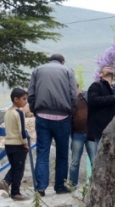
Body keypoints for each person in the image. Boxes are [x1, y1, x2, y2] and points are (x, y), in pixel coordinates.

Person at [28, 53, 78, 196]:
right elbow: (73, 95)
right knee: (62, 154)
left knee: (42, 153)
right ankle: (60, 186)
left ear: (49, 61)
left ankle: (40, 187)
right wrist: (71, 111)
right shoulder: (68, 71)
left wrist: (34, 109)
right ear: (62, 62)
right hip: (63, 117)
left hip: (42, 116)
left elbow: (31, 94)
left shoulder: (37, 70)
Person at [0, 88, 30, 201]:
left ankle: (5, 182)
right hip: (18, 144)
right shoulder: (19, 112)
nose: (25, 101)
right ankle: (15, 192)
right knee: (19, 169)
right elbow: (22, 130)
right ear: (15, 99)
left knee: (15, 166)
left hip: (8, 144)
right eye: (23, 99)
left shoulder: (7, 112)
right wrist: (25, 143)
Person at [86, 66, 115, 159]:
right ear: (100, 74)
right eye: (106, 68)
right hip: (101, 129)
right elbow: (93, 100)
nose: (109, 67)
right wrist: (112, 98)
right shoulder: (96, 86)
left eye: (110, 67)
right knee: (101, 156)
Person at [68, 84, 95, 187]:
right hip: (77, 134)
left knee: (94, 160)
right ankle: (72, 184)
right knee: (75, 161)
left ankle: (94, 184)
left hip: (90, 133)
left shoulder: (87, 96)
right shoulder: (70, 101)